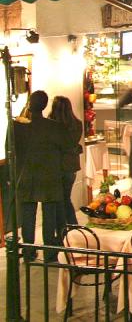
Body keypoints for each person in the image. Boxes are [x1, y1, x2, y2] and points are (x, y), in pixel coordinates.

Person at [13, 90, 76, 261]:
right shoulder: (54, 127)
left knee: (27, 214)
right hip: (49, 175)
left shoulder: (17, 127)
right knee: (49, 213)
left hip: (26, 174)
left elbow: (10, 149)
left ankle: (28, 250)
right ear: (45, 105)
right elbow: (67, 146)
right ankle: (49, 251)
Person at [48, 96, 83, 228]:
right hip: (70, 167)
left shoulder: (51, 126)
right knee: (66, 198)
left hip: (55, 166)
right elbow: (71, 145)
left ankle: (64, 228)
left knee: (58, 200)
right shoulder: (77, 124)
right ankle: (73, 226)